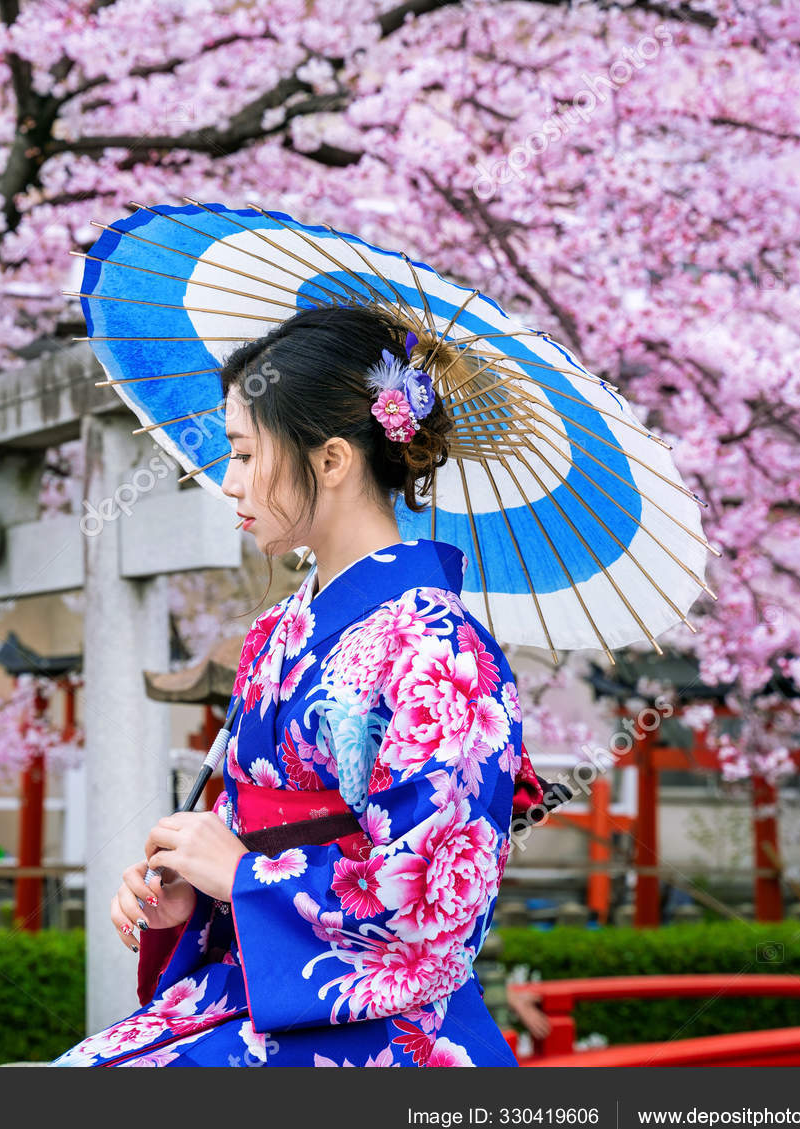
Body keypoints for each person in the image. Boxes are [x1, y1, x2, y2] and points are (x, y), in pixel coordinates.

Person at [50, 302, 521, 1067]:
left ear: (332, 460)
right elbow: (250, 831)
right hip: (261, 989)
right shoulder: (278, 633)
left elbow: (435, 905)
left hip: (382, 1025)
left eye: (243, 453)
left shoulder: (441, 646)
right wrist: (197, 896)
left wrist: (240, 872)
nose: (227, 480)